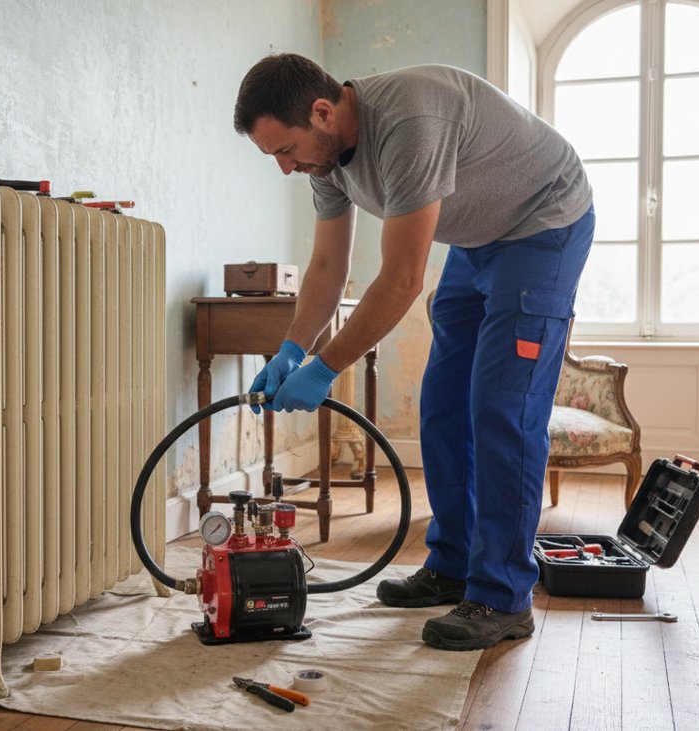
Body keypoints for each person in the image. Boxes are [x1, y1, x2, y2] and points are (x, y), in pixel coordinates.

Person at [233, 53, 594, 651]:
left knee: (502, 409)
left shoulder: (409, 121)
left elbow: (402, 279)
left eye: (285, 151)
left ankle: (504, 597)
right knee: (444, 405)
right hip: (477, 239)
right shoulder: (325, 157)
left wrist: (325, 368)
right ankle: (453, 565)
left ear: (323, 112)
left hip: (543, 224)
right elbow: (328, 266)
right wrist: (292, 347)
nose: (284, 167)